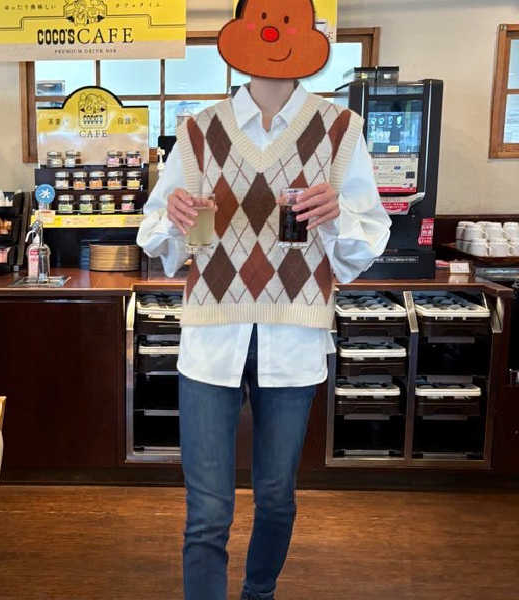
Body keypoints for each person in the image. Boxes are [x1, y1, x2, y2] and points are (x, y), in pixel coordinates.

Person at [136, 1, 391, 599]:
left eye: (290, 23)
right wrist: (174, 218)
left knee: (277, 497)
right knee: (207, 511)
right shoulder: (198, 130)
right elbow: (156, 236)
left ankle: (259, 592)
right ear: (239, 34)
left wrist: (335, 215)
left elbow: (367, 242)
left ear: (312, 36)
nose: (275, 35)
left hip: (296, 334)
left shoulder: (340, 129)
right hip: (211, 335)